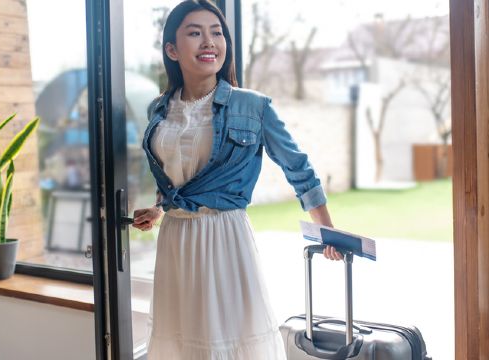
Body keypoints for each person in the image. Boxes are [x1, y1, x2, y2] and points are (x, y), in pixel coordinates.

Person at [132, 1, 341, 358]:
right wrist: (159, 209)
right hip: (176, 241)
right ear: (171, 49)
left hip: (224, 239)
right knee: (181, 342)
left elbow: (298, 168)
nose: (208, 42)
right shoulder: (158, 109)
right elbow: (176, 178)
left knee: (227, 341)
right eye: (195, 33)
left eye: (217, 33)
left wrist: (328, 233)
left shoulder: (253, 106)